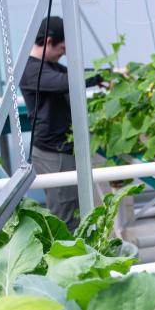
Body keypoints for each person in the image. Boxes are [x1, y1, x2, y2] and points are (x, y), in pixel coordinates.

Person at [20, 16, 103, 232]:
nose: (65, 53)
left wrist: (108, 76)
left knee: (75, 206)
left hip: (64, 149)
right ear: (48, 42)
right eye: (63, 47)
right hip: (52, 154)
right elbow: (66, 82)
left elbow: (75, 75)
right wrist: (99, 76)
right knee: (64, 215)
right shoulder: (31, 70)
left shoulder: (51, 65)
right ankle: (64, 260)